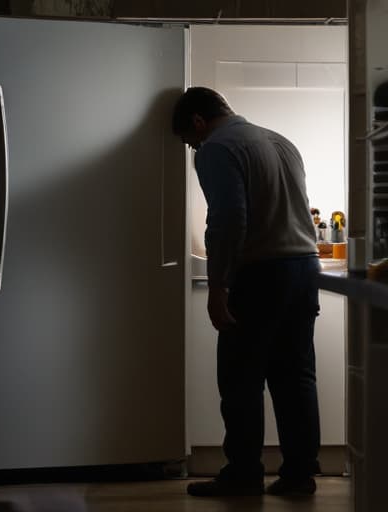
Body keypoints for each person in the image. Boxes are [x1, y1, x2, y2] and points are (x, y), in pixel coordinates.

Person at [173, 87, 321, 497]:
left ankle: (243, 475)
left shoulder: (217, 147)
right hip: (303, 267)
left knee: (240, 379)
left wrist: (218, 286)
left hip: (260, 275)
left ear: (199, 122)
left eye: (191, 140)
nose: (194, 148)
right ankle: (298, 475)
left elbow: (229, 218)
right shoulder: (279, 141)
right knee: (296, 377)